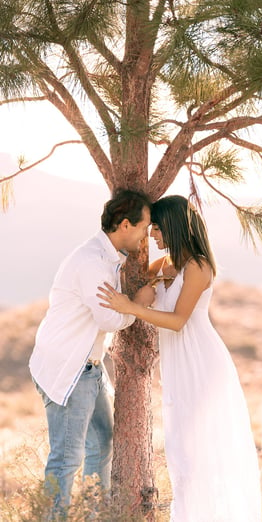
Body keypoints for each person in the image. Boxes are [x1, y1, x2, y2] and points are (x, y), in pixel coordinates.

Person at [97, 195, 262, 522]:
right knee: (180, 448)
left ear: (173, 226)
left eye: (157, 228)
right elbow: (143, 275)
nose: (153, 236)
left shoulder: (199, 266)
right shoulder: (172, 263)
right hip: (179, 363)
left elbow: (177, 320)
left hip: (200, 362)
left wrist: (131, 307)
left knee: (199, 447)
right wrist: (145, 287)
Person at [29, 188, 152, 517]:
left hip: (89, 367)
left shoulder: (107, 257)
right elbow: (108, 318)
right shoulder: (92, 262)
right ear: (124, 225)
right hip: (69, 368)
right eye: (143, 228)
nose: (145, 237)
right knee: (66, 458)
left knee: (101, 441)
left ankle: (93, 514)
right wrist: (138, 307)